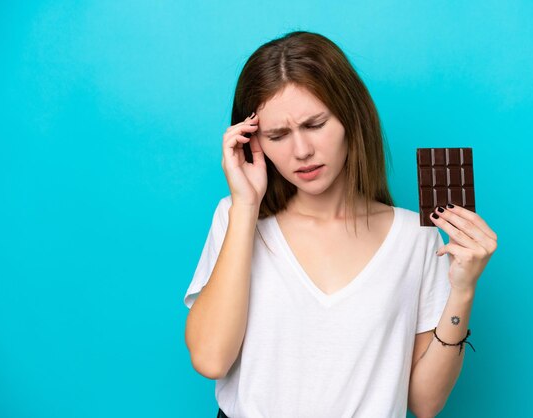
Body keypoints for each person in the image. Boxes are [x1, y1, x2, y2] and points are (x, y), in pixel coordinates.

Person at [184, 31, 497, 418]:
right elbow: (211, 359)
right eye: (278, 135)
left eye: (314, 124)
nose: (301, 151)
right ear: (253, 142)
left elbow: (425, 403)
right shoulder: (236, 216)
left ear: (351, 117)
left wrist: (462, 291)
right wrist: (246, 208)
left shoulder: (417, 237)